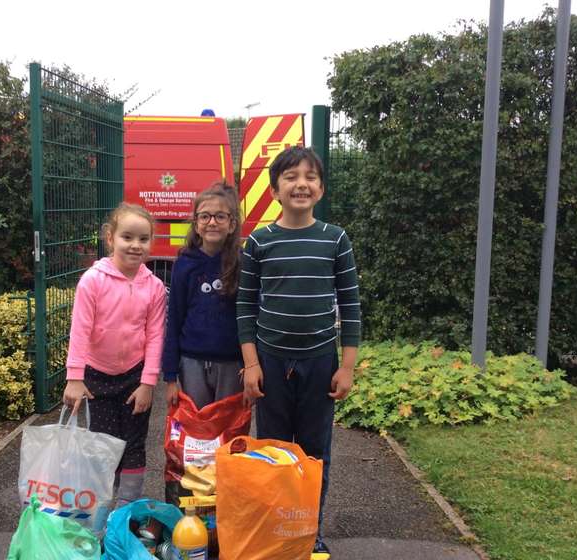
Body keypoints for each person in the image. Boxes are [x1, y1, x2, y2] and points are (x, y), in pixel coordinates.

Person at [236, 146, 361, 557]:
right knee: (272, 453)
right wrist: (251, 365)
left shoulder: (335, 239)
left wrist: (347, 368)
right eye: (290, 177)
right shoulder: (258, 242)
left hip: (320, 364)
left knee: (313, 454)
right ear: (274, 190)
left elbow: (351, 305)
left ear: (321, 189)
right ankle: (275, 531)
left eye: (309, 176)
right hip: (270, 364)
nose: (300, 183)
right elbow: (245, 306)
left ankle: (309, 531)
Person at [63, 202, 166, 507]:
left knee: (134, 445)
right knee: (102, 447)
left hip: (135, 379)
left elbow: (156, 336)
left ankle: (126, 512)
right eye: (127, 237)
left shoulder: (155, 287)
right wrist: (74, 378)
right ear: (110, 238)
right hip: (97, 380)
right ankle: (99, 511)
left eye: (143, 239)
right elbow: (80, 330)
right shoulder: (93, 281)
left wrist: (148, 383)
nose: (136, 245)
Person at [163, 183, 244, 409]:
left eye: (220, 216)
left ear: (231, 224)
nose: (212, 222)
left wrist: (252, 366)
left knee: (230, 433)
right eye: (205, 216)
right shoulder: (184, 264)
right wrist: (170, 377)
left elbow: (250, 319)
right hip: (192, 363)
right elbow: (174, 319)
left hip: (232, 364)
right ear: (196, 224)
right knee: (198, 433)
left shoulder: (243, 262)